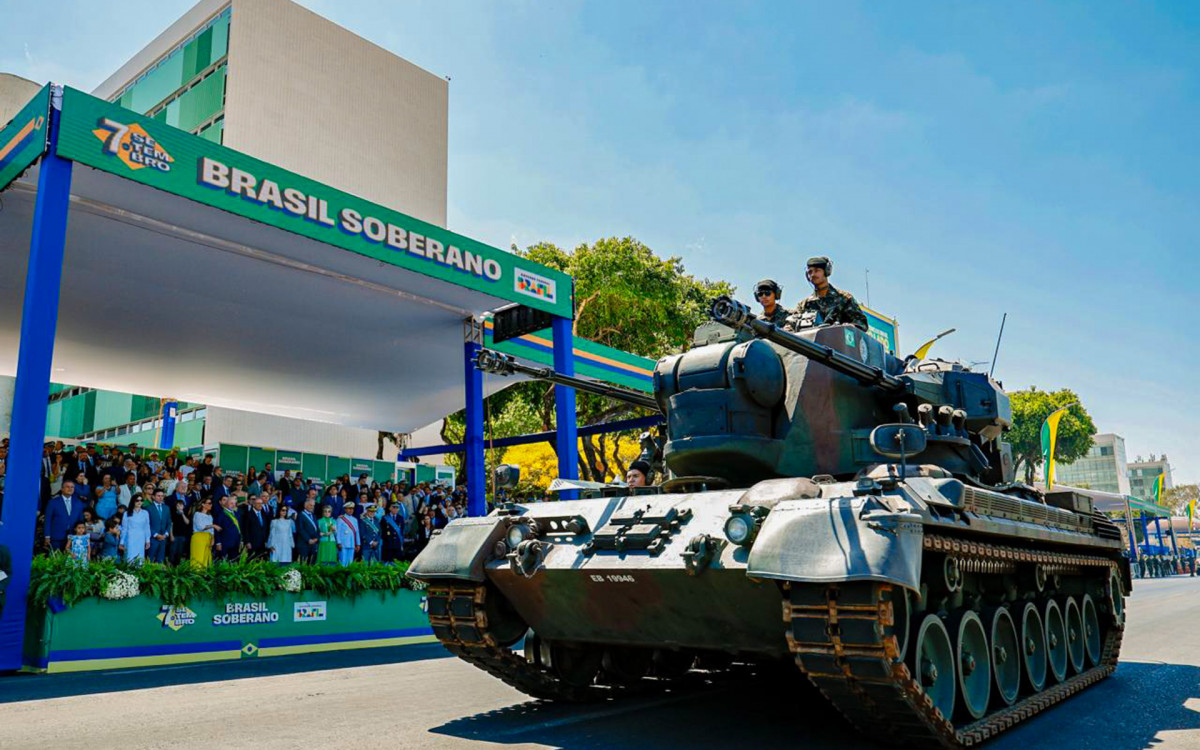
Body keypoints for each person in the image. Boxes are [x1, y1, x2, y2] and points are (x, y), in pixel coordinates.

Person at [785, 256, 868, 333]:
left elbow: (861, 324)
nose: (813, 275)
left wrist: (844, 328)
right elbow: (791, 325)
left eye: (817, 271)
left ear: (827, 272)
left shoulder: (844, 298)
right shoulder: (804, 304)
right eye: (810, 272)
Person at [44, 480, 84, 552]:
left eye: (72, 487)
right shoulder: (53, 502)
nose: (70, 489)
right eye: (67, 487)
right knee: (56, 560)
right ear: (62, 489)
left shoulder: (79, 503)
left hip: (73, 537)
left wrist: (80, 534)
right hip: (56, 537)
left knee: (69, 562)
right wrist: (47, 536)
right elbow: (47, 520)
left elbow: (80, 520)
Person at [120, 496, 152, 564]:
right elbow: (124, 528)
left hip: (141, 537)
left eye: (141, 500)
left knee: (140, 556)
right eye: (137, 500)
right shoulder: (127, 513)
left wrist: (147, 540)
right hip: (130, 537)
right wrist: (122, 542)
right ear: (133, 501)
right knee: (130, 556)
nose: (139, 502)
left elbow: (147, 527)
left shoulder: (145, 513)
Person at [146, 489, 173, 564]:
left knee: (160, 560)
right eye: (158, 496)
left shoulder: (166, 508)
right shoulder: (148, 508)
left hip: (163, 538)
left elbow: (169, 522)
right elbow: (147, 525)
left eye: (162, 496)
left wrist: (166, 534)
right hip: (153, 538)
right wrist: (155, 534)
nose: (161, 498)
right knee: (149, 560)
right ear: (153, 497)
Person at [241, 494, 272, 560]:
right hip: (252, 543)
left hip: (262, 543)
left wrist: (266, 540)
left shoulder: (264, 514)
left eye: (261, 503)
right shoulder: (248, 515)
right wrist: (247, 542)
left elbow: (266, 528)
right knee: (252, 560)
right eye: (258, 503)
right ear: (253, 504)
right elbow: (245, 529)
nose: (260, 505)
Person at [213, 496, 242, 561]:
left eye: (235, 503)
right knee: (223, 563)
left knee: (234, 562)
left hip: (235, 542)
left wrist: (241, 540)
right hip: (224, 543)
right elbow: (216, 529)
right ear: (226, 503)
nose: (233, 505)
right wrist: (218, 543)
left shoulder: (236, 514)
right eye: (231, 503)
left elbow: (239, 528)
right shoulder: (220, 514)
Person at [190, 497, 216, 568]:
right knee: (198, 558)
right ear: (203, 504)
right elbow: (200, 527)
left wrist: (213, 539)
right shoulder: (197, 514)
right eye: (209, 503)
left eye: (211, 503)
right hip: (199, 537)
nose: (211, 505)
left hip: (208, 537)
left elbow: (211, 530)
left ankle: (203, 575)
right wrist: (213, 525)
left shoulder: (210, 516)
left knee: (206, 558)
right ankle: (196, 575)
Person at [294, 497, 321, 564]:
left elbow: (317, 528)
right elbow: (300, 529)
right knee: (303, 563)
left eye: (313, 505)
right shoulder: (300, 515)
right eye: (310, 505)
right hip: (304, 543)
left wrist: (316, 538)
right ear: (305, 505)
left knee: (311, 563)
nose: (312, 507)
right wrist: (308, 539)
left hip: (313, 543)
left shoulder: (313, 515)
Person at [336, 502, 361, 566]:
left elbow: (357, 532)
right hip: (343, 543)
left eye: (352, 508)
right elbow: (338, 532)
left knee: (350, 562)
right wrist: (338, 542)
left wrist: (358, 544)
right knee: (343, 562)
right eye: (349, 508)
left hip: (352, 543)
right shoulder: (340, 519)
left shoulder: (355, 519)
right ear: (345, 509)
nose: (351, 510)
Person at [170, 499, 191, 564]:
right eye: (177, 506)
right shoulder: (173, 514)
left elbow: (187, 522)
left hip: (182, 535)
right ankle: (171, 566)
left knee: (180, 552)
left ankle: (178, 567)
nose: (179, 507)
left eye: (181, 505)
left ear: (183, 506)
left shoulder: (186, 514)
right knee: (173, 551)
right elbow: (171, 525)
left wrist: (182, 514)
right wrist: (171, 535)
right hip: (175, 535)